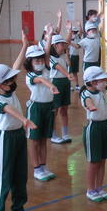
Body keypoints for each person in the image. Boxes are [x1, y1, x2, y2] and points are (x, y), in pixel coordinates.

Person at [0, 59, 37, 211]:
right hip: (5, 138)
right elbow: (8, 109)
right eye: (9, 81)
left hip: (18, 136)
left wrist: (24, 47)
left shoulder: (8, 90)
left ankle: (18, 210)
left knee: (20, 176)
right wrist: (24, 120)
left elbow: (15, 67)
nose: (13, 82)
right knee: (3, 178)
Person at [22, 38, 60, 182]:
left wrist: (49, 36)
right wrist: (51, 86)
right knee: (34, 140)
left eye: (41, 59)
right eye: (36, 60)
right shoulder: (30, 75)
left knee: (44, 139)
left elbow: (47, 52)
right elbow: (41, 80)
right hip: (36, 108)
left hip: (48, 107)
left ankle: (43, 166)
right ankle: (36, 168)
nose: (39, 62)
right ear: (29, 62)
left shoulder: (46, 69)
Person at [79, 66, 107, 201]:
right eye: (101, 80)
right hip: (94, 128)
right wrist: (91, 107)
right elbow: (87, 101)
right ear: (93, 82)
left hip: (106, 125)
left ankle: (99, 187)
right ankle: (90, 189)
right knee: (94, 161)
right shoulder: (86, 94)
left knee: (102, 160)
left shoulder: (100, 90)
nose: (105, 82)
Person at [49, 34, 73, 144]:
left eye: (64, 44)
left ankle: (65, 133)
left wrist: (69, 31)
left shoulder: (63, 55)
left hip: (65, 83)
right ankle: (53, 134)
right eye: (61, 44)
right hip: (56, 82)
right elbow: (57, 67)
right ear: (55, 45)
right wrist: (68, 74)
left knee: (64, 109)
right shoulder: (50, 57)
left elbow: (68, 42)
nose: (63, 46)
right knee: (55, 110)